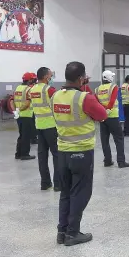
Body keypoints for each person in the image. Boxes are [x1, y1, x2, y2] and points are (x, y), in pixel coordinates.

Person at [52, 61, 108, 246]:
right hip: (81, 151)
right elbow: (102, 115)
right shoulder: (85, 98)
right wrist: (87, 90)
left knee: (66, 193)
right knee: (80, 193)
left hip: (62, 151)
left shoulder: (55, 96)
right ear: (81, 78)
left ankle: (62, 231)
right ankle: (73, 233)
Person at [29, 67, 61, 191]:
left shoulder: (32, 90)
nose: (51, 77)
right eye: (50, 75)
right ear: (45, 77)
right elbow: (57, 105)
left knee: (42, 156)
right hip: (51, 126)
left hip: (39, 125)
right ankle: (58, 184)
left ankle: (45, 183)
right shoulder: (49, 90)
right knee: (57, 155)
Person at [96, 71, 129, 169]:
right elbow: (112, 101)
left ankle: (107, 161)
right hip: (113, 117)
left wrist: (103, 111)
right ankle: (121, 162)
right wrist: (108, 110)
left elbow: (97, 102)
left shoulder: (97, 89)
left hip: (102, 118)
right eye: (112, 76)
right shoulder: (113, 87)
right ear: (109, 78)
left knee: (104, 140)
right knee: (119, 139)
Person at [11, 73, 35, 160]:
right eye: (32, 79)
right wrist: (20, 109)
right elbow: (27, 103)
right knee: (26, 136)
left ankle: (18, 153)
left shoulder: (18, 88)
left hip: (19, 116)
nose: (33, 81)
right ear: (29, 80)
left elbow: (12, 101)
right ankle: (25, 154)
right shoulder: (29, 89)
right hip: (26, 115)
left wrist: (15, 111)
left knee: (21, 135)